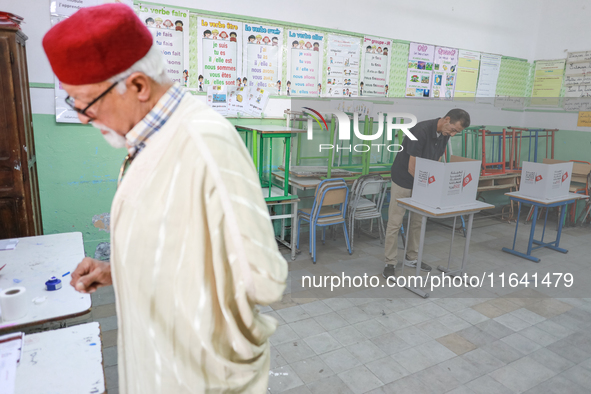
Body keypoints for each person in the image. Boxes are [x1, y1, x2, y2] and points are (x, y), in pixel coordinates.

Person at [42, 4, 287, 393]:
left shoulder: (205, 142)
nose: (84, 117)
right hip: (158, 366)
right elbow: (172, 243)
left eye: (86, 103)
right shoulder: (148, 139)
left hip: (200, 376)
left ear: (138, 86)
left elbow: (264, 279)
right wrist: (116, 270)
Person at [383, 109, 470, 280]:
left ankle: (412, 258)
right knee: (395, 222)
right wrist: (427, 185)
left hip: (422, 182)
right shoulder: (420, 131)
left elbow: (436, 160)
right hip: (404, 179)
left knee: (417, 221)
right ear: (446, 119)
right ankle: (390, 262)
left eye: (456, 133)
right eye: (453, 130)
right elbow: (411, 167)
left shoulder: (444, 135)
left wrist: (435, 182)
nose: (452, 134)